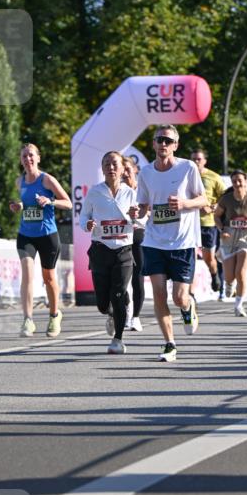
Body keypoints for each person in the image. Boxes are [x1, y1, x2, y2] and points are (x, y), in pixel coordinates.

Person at [136, 125, 207, 362]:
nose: (163, 144)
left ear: (175, 145)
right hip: (154, 240)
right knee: (158, 294)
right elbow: (143, 206)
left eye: (168, 140)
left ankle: (187, 307)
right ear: (154, 144)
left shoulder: (188, 168)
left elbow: (204, 199)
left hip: (183, 242)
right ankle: (169, 343)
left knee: (178, 298)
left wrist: (185, 204)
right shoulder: (145, 172)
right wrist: (137, 211)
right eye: (159, 139)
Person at [9, 143, 72, 338]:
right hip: (26, 235)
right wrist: (18, 206)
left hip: (47, 235)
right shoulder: (19, 182)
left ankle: (54, 315)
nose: (28, 159)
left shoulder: (47, 180)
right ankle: (28, 319)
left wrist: (50, 201)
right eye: (24, 156)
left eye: (31, 155)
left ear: (38, 158)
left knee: (49, 278)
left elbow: (68, 203)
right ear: (21, 161)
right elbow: (24, 202)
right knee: (27, 273)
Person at [80, 151, 137, 354]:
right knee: (103, 304)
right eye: (106, 164)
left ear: (122, 169)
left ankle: (118, 339)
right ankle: (111, 313)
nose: (111, 167)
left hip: (123, 251)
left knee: (118, 293)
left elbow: (143, 220)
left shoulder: (131, 194)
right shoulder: (95, 192)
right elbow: (83, 217)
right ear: (102, 169)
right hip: (100, 251)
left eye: (114, 164)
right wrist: (87, 224)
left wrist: (136, 217)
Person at [213, 170, 247, 317]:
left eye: (240, 181)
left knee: (241, 272)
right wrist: (222, 229)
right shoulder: (226, 199)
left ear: (245, 182)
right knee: (229, 276)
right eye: (234, 181)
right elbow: (216, 216)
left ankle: (239, 305)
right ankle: (230, 284)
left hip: (245, 235)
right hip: (229, 235)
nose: (237, 183)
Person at [190, 148, 226, 295]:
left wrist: (214, 207)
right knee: (190, 259)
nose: (196, 162)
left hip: (207, 224)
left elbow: (224, 198)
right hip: (189, 223)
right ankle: (190, 293)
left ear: (204, 161)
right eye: (193, 159)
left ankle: (214, 273)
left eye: (198, 159)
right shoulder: (186, 175)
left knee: (208, 258)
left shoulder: (213, 177)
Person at [122, 156, 146, 332]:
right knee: (121, 280)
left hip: (140, 236)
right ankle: (127, 310)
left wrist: (143, 213)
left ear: (136, 170)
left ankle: (136, 316)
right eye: (122, 170)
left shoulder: (144, 189)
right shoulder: (117, 191)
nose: (125, 173)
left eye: (128, 169)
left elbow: (153, 210)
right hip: (121, 238)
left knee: (138, 279)